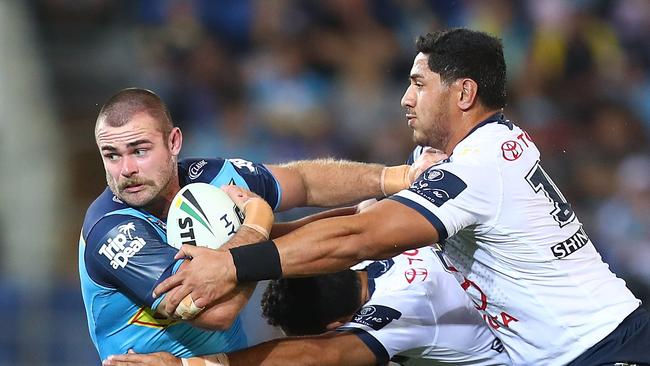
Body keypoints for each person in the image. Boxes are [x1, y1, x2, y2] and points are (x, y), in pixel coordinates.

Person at [154, 29, 650, 365]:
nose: (405, 99)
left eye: (418, 84)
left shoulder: (477, 167)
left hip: (603, 351)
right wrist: (253, 235)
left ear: (463, 94)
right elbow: (364, 215)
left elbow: (360, 236)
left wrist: (235, 265)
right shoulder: (481, 150)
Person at [79, 88, 440, 361]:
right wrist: (256, 224)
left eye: (139, 151)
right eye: (111, 155)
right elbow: (218, 312)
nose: (125, 170)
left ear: (174, 142)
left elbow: (304, 181)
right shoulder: (113, 232)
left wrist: (399, 180)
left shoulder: (210, 178)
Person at [104, 243, 511, 365]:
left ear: (334, 324)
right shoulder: (387, 247)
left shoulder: (389, 320)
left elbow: (315, 357)